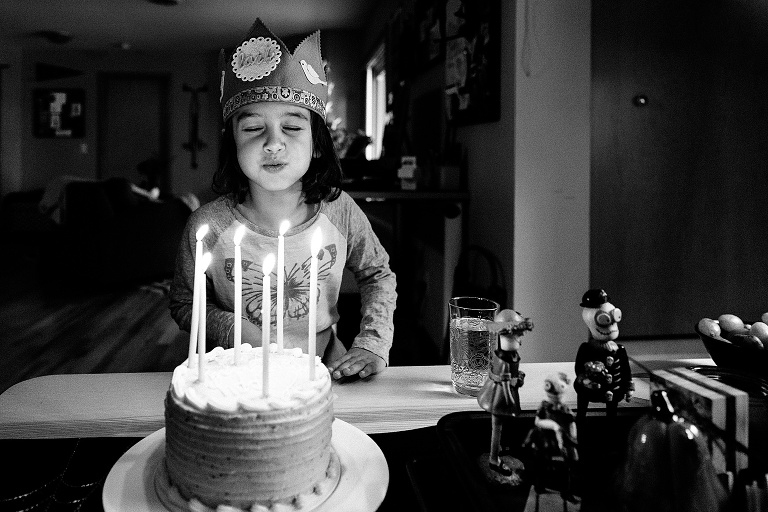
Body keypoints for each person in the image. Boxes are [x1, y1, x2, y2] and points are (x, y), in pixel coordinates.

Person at [169, 18, 397, 380]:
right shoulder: (207, 225)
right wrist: (231, 328)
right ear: (233, 144)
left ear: (316, 144)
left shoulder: (339, 212)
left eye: (291, 127)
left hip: (324, 373)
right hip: (235, 380)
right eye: (254, 128)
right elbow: (183, 302)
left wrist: (373, 341)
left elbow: (377, 274)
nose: (273, 143)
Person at [477, 309, 533, 476]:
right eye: (517, 337)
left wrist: (518, 379)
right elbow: (505, 383)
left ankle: (498, 448)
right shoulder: (504, 360)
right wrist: (510, 402)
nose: (520, 341)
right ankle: (494, 459)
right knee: (497, 425)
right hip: (500, 396)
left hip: (504, 393)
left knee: (499, 426)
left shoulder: (511, 356)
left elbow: (512, 378)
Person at [574, 289, 634, 422]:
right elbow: (579, 369)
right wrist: (586, 380)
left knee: (611, 416)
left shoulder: (620, 349)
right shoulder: (587, 349)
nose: (611, 327)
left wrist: (629, 387)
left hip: (615, 389)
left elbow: (625, 370)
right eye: (605, 320)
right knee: (581, 414)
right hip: (592, 390)